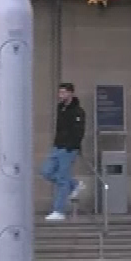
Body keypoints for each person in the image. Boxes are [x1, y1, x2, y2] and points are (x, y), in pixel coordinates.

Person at [40, 83, 86, 221]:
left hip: (68, 148)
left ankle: (58, 210)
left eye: (64, 92)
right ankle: (74, 184)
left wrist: (72, 146)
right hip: (58, 146)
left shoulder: (78, 111)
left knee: (62, 178)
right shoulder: (61, 108)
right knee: (46, 171)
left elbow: (79, 131)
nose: (61, 95)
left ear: (71, 93)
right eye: (60, 92)